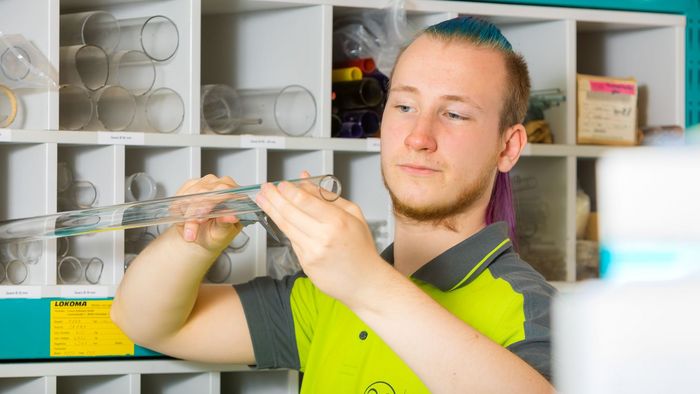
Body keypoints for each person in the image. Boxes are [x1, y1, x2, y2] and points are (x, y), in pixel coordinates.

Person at [111, 16, 556, 393]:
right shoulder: (325, 294)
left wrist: (366, 284)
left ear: (508, 147)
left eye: (455, 113)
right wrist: (192, 242)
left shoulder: (532, 308)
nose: (419, 137)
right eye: (404, 106)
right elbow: (148, 322)